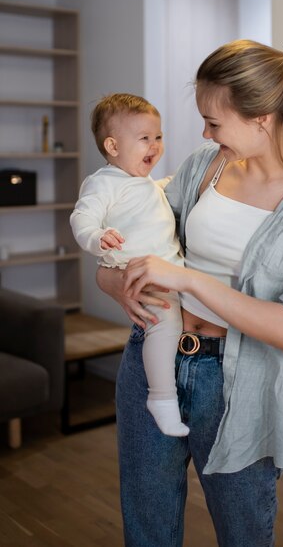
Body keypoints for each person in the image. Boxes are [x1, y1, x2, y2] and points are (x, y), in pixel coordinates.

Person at [97, 40, 283, 547]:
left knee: (243, 532)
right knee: (146, 527)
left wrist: (188, 280)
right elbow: (132, 250)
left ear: (262, 118)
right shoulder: (207, 166)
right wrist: (114, 282)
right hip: (151, 360)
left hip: (239, 385)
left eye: (214, 121)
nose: (204, 133)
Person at [70, 93, 189, 437]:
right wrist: (97, 237)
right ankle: (162, 398)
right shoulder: (103, 182)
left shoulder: (143, 183)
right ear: (113, 146)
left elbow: (155, 197)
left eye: (158, 137)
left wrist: (172, 182)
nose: (155, 145)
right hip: (140, 275)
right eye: (144, 139)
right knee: (163, 324)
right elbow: (82, 217)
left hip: (169, 272)